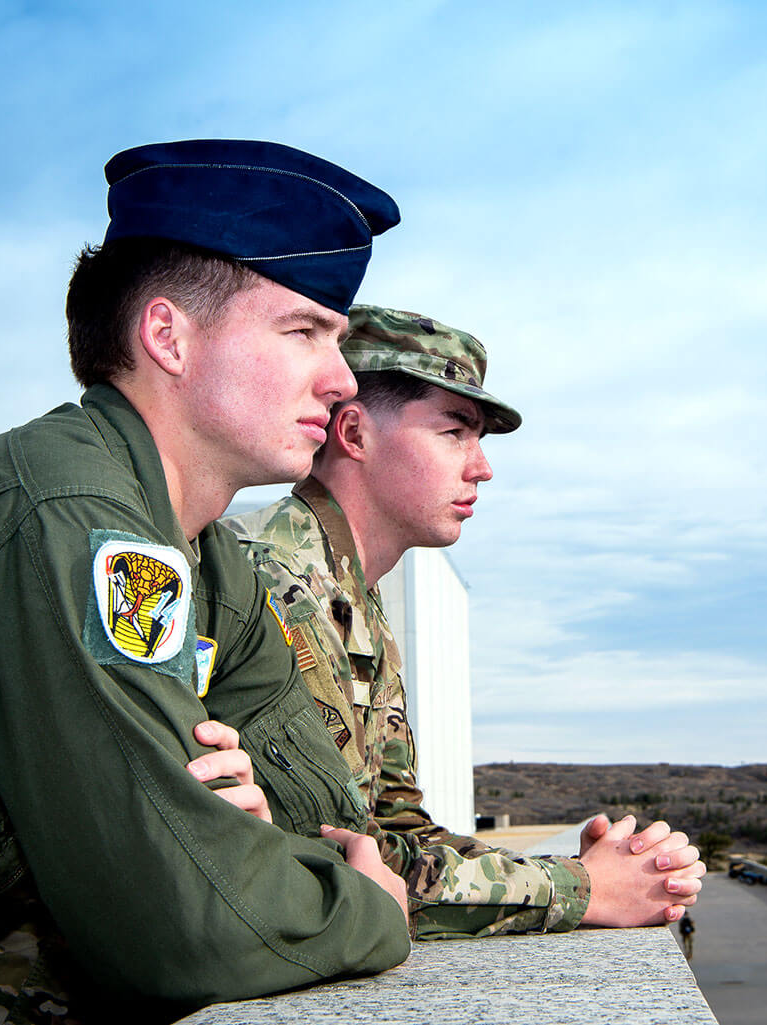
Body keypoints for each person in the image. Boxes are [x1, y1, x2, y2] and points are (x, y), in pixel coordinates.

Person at [0, 140, 413, 1024]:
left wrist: (252, 816)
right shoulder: (72, 519)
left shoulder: (206, 563)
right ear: (167, 337)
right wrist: (368, 912)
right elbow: (182, 922)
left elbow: (328, 807)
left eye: (339, 339)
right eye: (303, 330)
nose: (343, 378)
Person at [225, 306, 707, 940]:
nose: (481, 467)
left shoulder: (353, 594)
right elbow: (338, 860)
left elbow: (397, 830)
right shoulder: (280, 585)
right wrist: (581, 889)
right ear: (354, 433)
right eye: (455, 432)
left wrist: (588, 871)